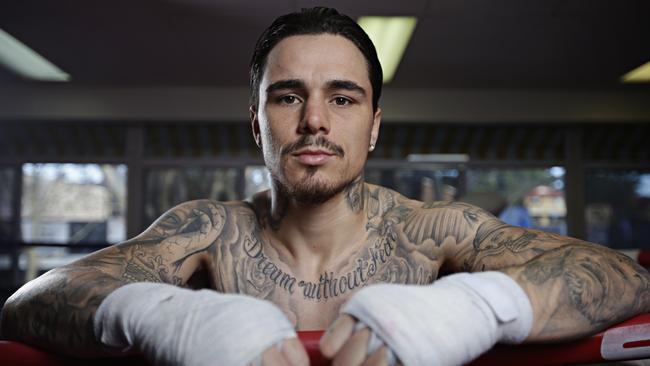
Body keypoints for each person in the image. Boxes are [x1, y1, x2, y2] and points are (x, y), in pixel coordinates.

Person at [2, 7, 649, 366]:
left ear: (372, 127)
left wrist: (473, 307)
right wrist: (169, 317)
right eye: (288, 98)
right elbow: (36, 298)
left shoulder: (434, 234)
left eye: (342, 98)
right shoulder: (207, 232)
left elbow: (625, 279)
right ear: (256, 123)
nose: (314, 120)